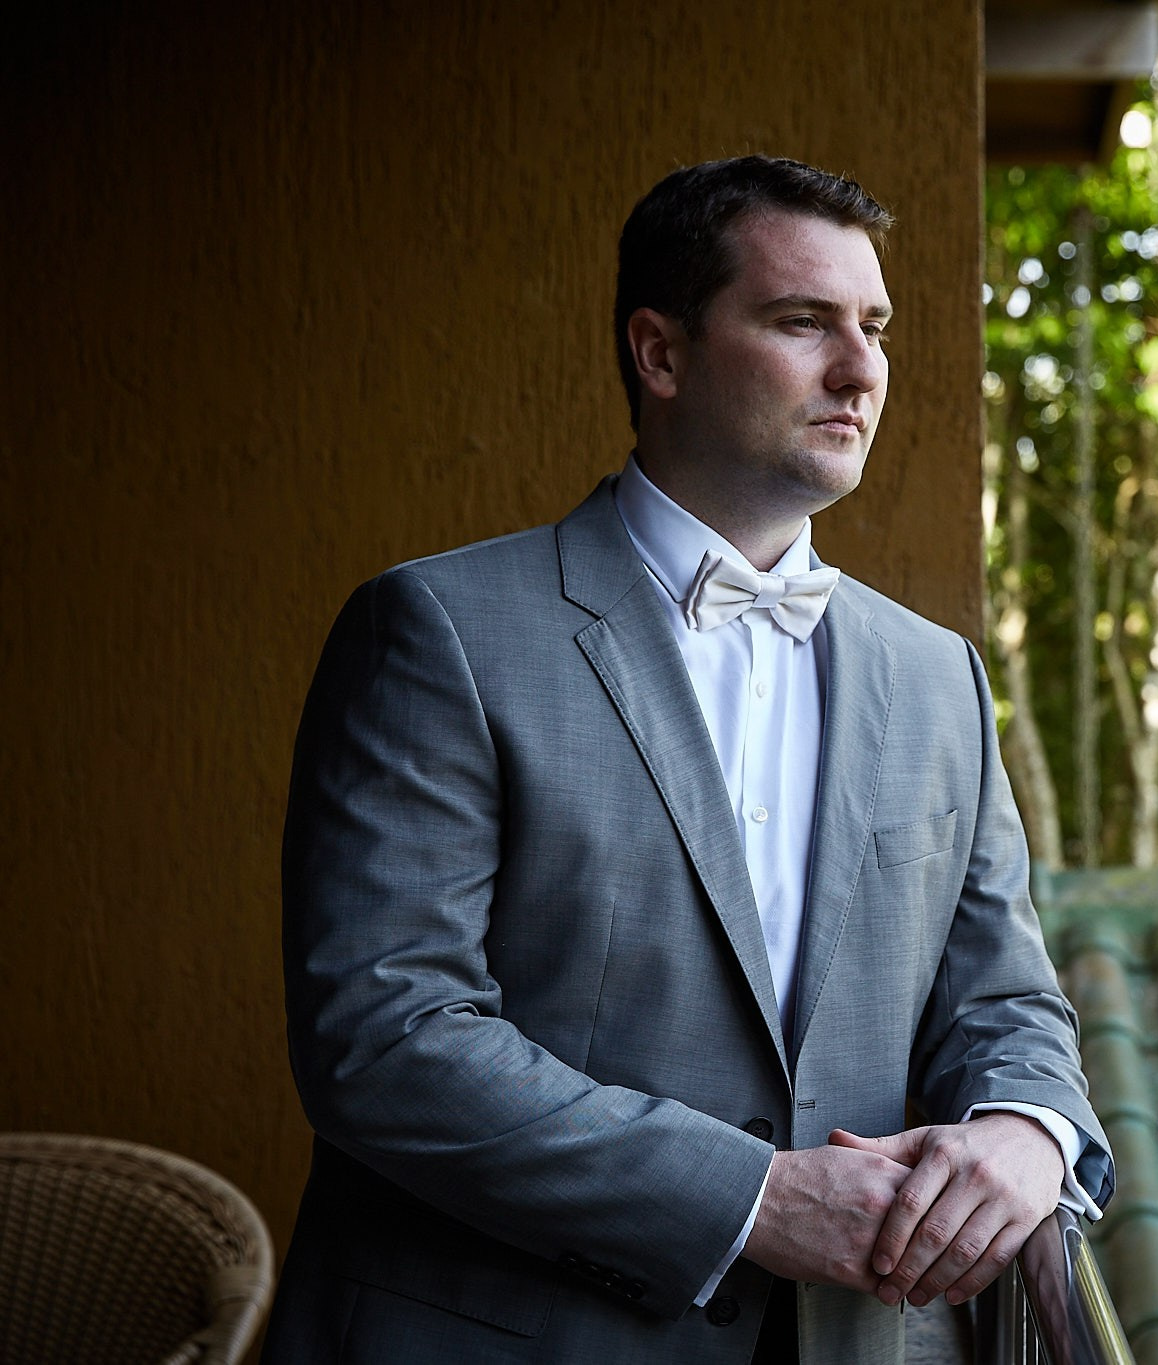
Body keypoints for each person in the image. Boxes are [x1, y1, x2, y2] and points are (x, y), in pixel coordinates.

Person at [264, 155, 1112, 1364]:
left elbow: (1005, 1000)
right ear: (660, 355)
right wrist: (752, 1199)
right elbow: (386, 1035)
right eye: (800, 322)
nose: (861, 367)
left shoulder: (938, 677)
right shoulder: (441, 631)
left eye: (873, 327)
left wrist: (1029, 1130)